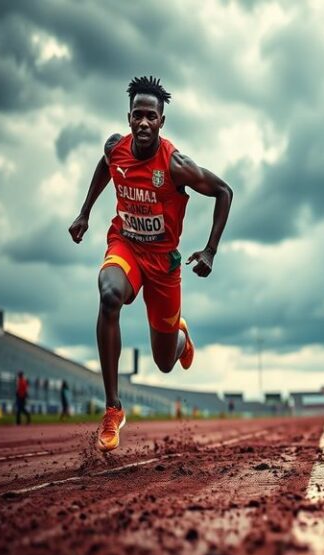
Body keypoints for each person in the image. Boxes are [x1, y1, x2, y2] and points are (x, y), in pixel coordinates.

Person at [68, 76, 233, 452]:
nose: (143, 122)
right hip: (125, 244)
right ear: (129, 118)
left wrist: (210, 251)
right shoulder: (115, 148)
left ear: (161, 121)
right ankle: (113, 409)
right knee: (109, 296)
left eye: (151, 117)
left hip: (163, 265)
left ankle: (180, 336)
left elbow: (224, 191)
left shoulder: (176, 165)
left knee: (163, 362)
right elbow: (105, 165)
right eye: (137, 115)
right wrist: (85, 213)